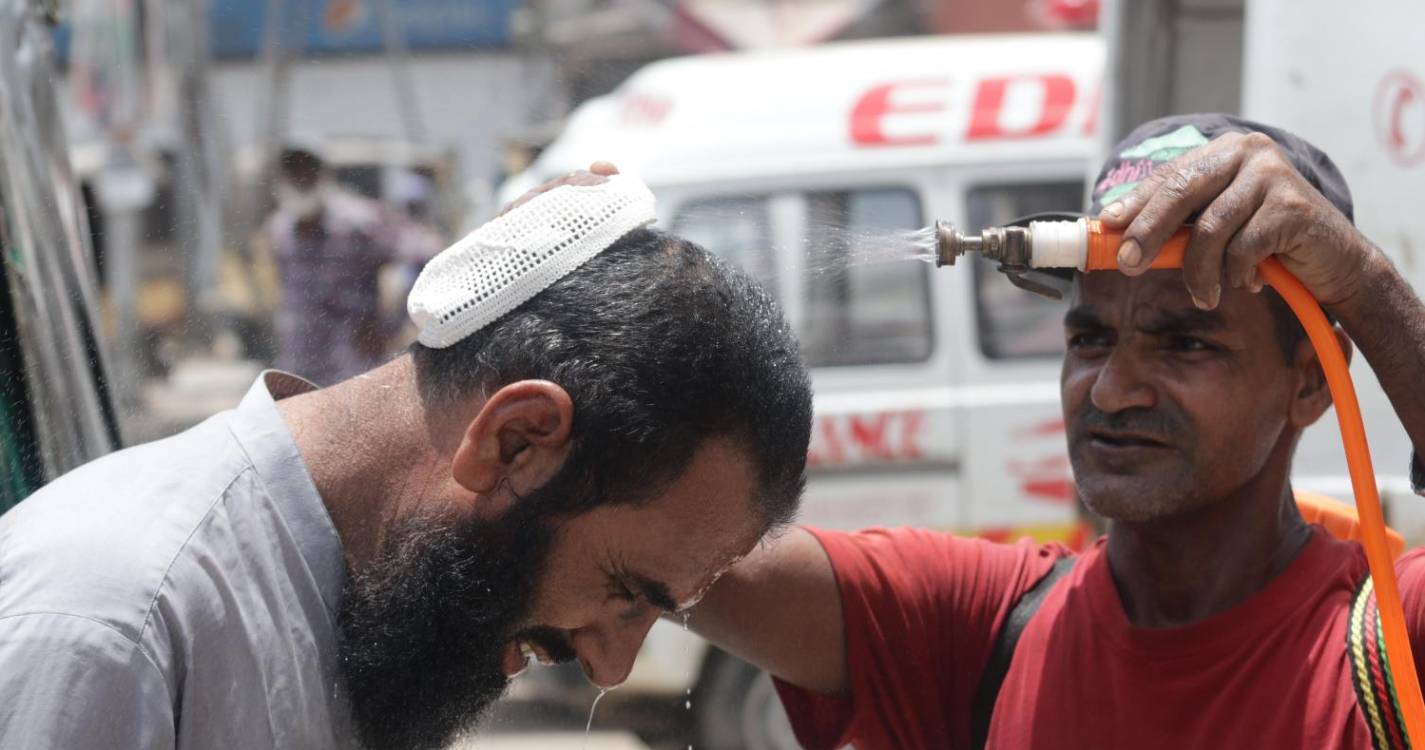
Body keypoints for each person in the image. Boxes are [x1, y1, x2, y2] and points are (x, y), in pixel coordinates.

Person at [0, 164, 813, 749]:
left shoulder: (353, 602)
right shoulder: (116, 623)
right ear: (515, 440)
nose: (609, 666)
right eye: (627, 594)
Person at [686, 114, 1425, 748]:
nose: (1110, 390)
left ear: (1310, 380)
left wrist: (1362, 281)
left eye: (1184, 343)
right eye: (1090, 339)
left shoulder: (1392, 644)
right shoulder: (981, 628)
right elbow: (676, 544)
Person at [266, 142, 442, 385]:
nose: (301, 179)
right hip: (298, 365)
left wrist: (391, 325)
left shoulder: (358, 223)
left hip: (351, 369)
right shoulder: (280, 230)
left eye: (308, 170)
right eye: (293, 171)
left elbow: (425, 254)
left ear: (324, 175)